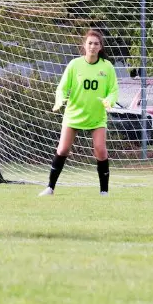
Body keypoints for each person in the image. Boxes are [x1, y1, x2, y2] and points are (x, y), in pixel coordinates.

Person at [40, 28, 119, 197]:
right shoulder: (74, 65)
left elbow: (113, 90)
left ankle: (104, 191)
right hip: (73, 115)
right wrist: (59, 100)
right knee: (62, 150)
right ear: (84, 45)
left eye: (96, 44)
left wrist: (109, 101)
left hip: (96, 116)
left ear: (100, 47)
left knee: (101, 150)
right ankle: (50, 188)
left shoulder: (107, 67)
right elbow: (62, 87)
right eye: (89, 43)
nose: (92, 46)